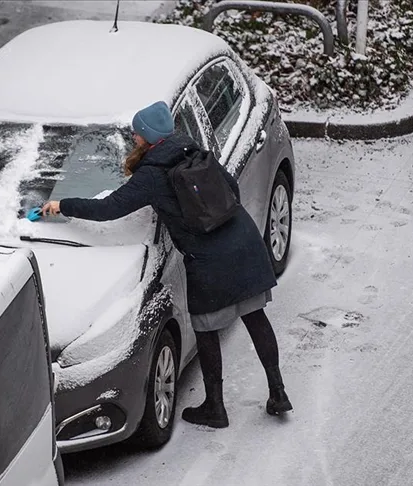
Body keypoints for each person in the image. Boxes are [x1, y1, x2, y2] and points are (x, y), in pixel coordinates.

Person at [41, 101, 292, 428]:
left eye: (137, 132)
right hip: (242, 240)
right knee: (256, 317)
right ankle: (278, 392)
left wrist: (63, 205)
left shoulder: (152, 175)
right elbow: (230, 188)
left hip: (209, 257)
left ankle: (215, 408)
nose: (133, 135)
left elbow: (109, 208)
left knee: (205, 329)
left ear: (148, 137)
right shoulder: (192, 148)